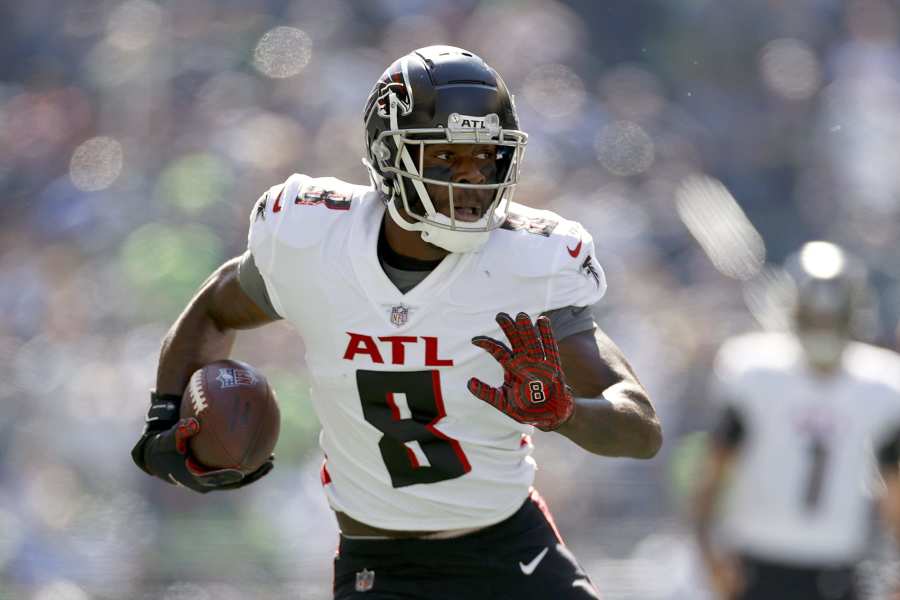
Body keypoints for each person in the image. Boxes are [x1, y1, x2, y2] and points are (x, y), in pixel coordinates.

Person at [131, 45, 661, 599]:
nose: (472, 180)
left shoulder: (531, 261)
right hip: (382, 563)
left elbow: (642, 427)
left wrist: (566, 414)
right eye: (447, 158)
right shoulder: (313, 239)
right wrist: (163, 416)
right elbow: (215, 307)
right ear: (390, 156)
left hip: (509, 547)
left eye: (486, 157)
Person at [693, 241, 900, 600]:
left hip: (838, 562)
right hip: (757, 558)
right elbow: (713, 471)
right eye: (816, 318)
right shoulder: (754, 372)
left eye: (830, 319)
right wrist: (709, 554)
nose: (823, 329)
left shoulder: (881, 385)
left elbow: (895, 489)